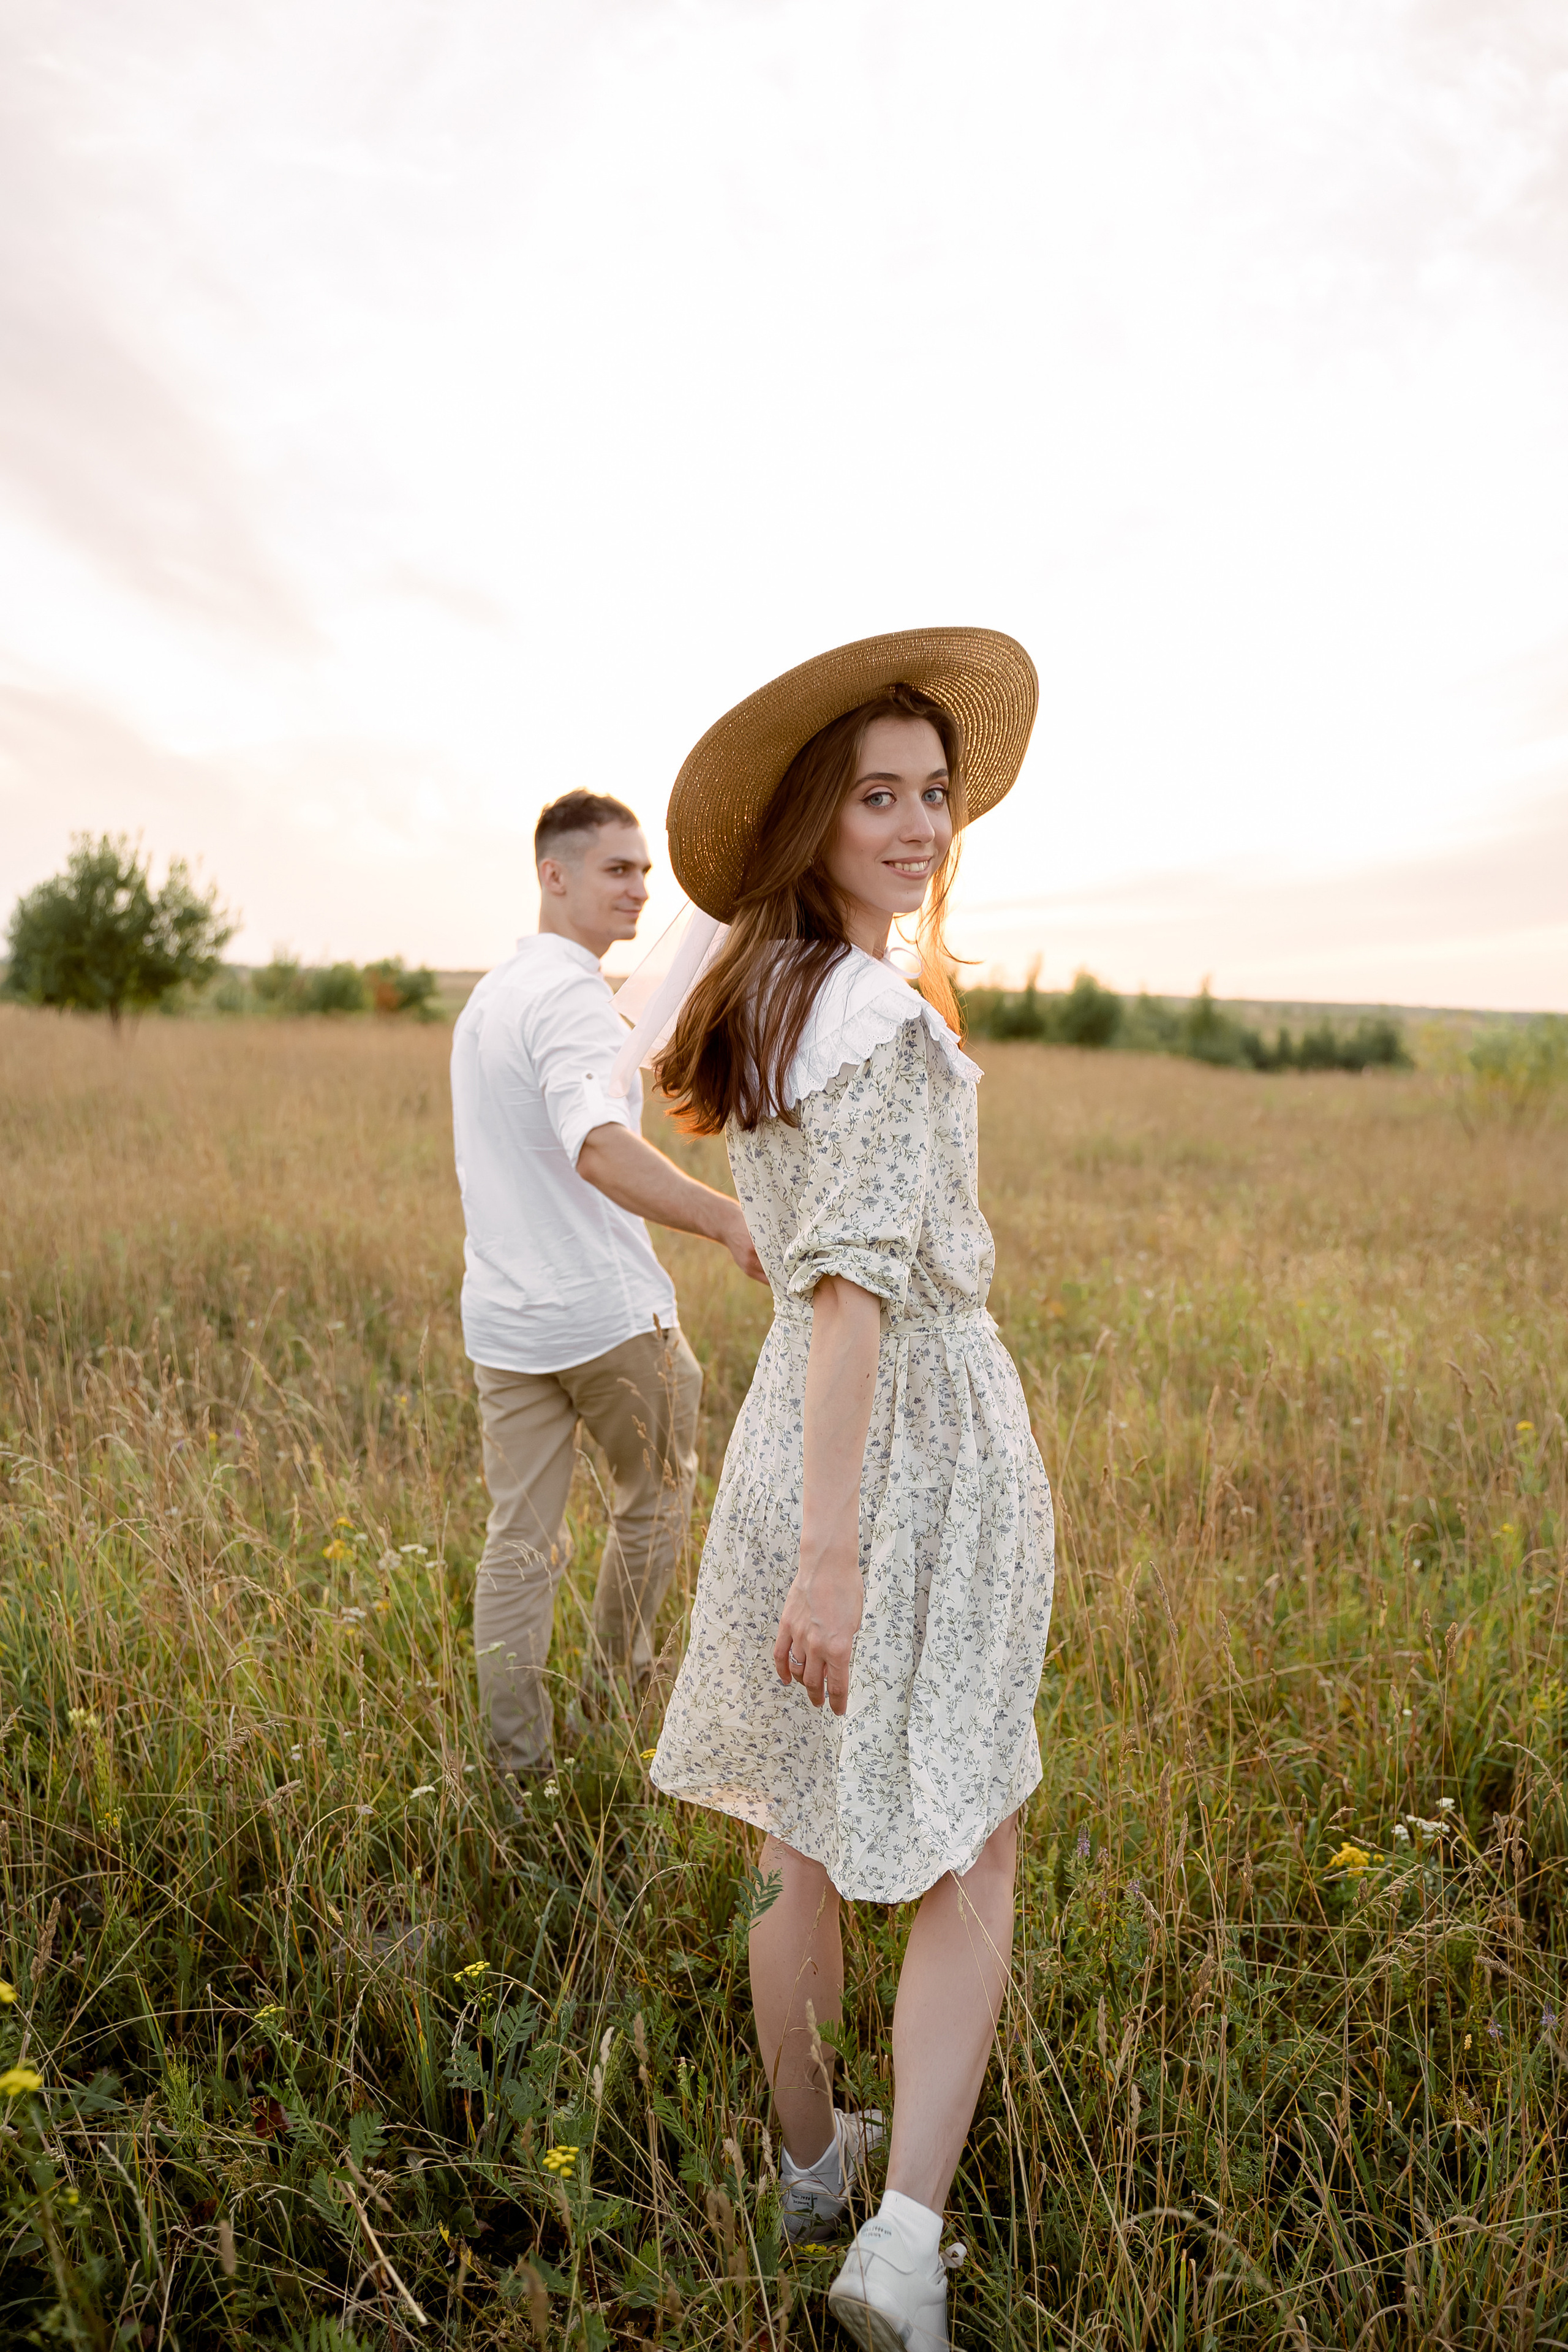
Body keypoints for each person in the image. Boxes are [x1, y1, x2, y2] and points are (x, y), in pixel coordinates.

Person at [647, 631, 1055, 2352]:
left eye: (933, 794)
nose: (917, 825)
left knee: (794, 1822)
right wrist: (835, 1553)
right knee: (972, 1833)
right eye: (876, 797)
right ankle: (896, 2248)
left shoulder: (766, 998)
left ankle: (816, 2158)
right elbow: (853, 1291)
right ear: (813, 822)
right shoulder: (878, 1016)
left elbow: (807, 1277)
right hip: (909, 1451)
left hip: (789, 1442)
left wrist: (806, 1524)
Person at [451, 788, 764, 1787]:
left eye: (643, 869)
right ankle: (611, 1704)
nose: (642, 888)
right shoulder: (570, 998)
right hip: (604, 1315)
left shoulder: (494, 995)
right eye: (618, 869)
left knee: (519, 1544)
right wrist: (723, 1217)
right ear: (556, 875)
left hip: (505, 1321)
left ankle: (521, 1776)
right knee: (654, 1508)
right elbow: (596, 1145)